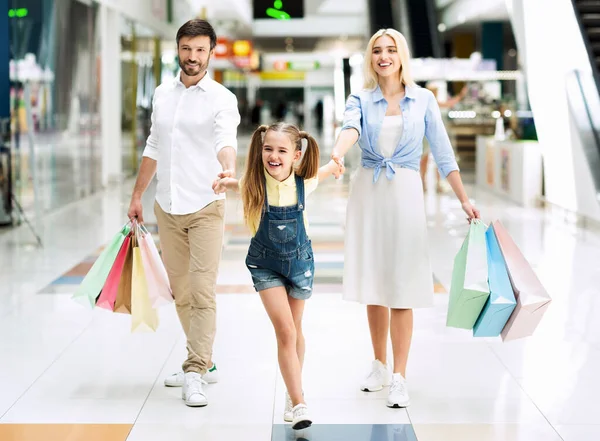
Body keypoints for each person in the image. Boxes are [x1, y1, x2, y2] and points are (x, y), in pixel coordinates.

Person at [330, 29, 481, 409]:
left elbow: (444, 154)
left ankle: (399, 375)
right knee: (374, 280)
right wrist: (335, 155)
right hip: (368, 191)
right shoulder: (360, 97)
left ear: (402, 55)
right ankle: (378, 364)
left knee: (403, 284)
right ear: (370, 58)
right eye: (377, 51)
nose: (384, 56)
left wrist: (464, 199)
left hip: (406, 191)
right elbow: (350, 128)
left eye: (391, 50)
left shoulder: (424, 99)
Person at [126, 19, 240, 407]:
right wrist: (138, 193)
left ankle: (195, 369)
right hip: (167, 207)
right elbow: (154, 145)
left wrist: (228, 167)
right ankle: (205, 361)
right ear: (178, 49)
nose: (192, 57)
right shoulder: (162, 94)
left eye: (200, 50)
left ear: (211, 52)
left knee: (203, 290)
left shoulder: (221, 98)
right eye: (187, 49)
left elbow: (226, 139)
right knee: (182, 291)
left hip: (207, 204)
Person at [212, 123, 344, 429]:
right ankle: (300, 404)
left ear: (296, 155)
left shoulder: (304, 181)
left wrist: (336, 166)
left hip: (300, 264)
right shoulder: (254, 184)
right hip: (265, 265)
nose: (273, 155)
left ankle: (291, 388)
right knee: (285, 331)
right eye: (268, 149)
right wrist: (224, 183)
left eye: (282, 151)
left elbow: (325, 170)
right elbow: (237, 184)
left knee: (295, 331)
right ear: (260, 151)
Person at [420, 83, 467, 192]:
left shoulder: (430, 102)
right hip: (426, 135)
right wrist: (460, 95)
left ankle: (434, 183)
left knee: (435, 160)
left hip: (430, 135)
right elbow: (448, 104)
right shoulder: (429, 102)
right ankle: (425, 182)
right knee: (426, 159)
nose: (435, 93)